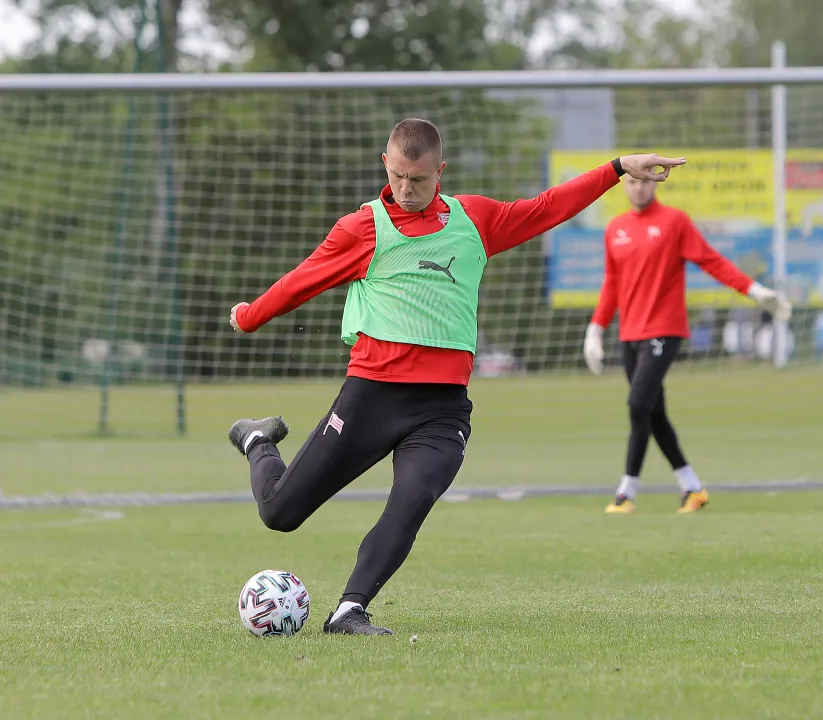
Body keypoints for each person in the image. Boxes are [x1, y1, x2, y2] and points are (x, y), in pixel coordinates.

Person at [226, 117, 685, 636]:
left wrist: (617, 168)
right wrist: (249, 316)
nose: (406, 188)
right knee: (280, 514)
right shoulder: (362, 227)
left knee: (413, 499)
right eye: (398, 176)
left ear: (439, 171)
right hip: (371, 399)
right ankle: (258, 439)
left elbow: (547, 208)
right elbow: (301, 281)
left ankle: (350, 609)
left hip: (441, 410)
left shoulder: (475, 219)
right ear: (386, 164)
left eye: (419, 179)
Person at [582, 174, 791, 514]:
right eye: (633, 181)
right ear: (624, 185)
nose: (639, 187)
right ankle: (692, 488)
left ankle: (626, 493)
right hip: (630, 335)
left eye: (645, 181)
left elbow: (711, 261)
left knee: (638, 404)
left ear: (655, 184)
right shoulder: (615, 228)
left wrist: (753, 290)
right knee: (653, 413)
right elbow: (612, 282)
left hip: (664, 330)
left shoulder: (674, 222)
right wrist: (595, 329)